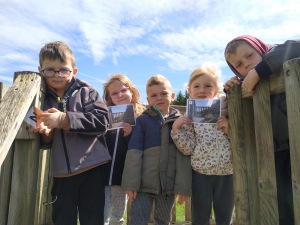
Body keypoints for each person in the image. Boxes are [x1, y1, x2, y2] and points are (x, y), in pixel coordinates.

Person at [31, 41, 111, 225]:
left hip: (92, 169)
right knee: (62, 218)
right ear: (40, 70)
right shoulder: (40, 97)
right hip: (61, 174)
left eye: (63, 70)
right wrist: (45, 133)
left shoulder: (87, 92)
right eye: (50, 69)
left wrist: (64, 120)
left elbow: (102, 121)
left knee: (92, 219)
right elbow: (46, 142)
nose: (57, 75)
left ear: (74, 71)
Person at [224, 35, 300, 225]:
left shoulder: (278, 63)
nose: (247, 64)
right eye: (239, 64)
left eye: (250, 55)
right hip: (272, 152)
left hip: (295, 145)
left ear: (261, 49)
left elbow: (296, 46)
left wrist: (259, 71)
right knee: (281, 207)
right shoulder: (245, 86)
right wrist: (230, 91)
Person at [121, 75, 192, 225]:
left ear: (172, 96)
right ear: (148, 100)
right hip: (143, 186)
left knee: (163, 221)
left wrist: (183, 186)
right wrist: (131, 184)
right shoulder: (142, 121)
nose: (159, 98)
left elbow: (184, 155)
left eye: (164, 94)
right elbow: (134, 153)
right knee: (137, 220)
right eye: (154, 95)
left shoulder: (181, 122)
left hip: (168, 187)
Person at [171, 64, 234, 225]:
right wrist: (177, 129)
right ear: (189, 91)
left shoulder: (228, 109)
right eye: (196, 86)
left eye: (208, 86)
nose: (202, 90)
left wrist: (230, 130)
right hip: (201, 174)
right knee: (200, 217)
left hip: (227, 173)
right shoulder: (189, 117)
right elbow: (188, 149)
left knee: (225, 217)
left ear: (215, 89)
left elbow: (242, 141)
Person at [102, 74, 145, 225]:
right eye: (114, 93)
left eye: (123, 90)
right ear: (109, 97)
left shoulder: (140, 117)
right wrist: (101, 134)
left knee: (117, 216)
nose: (119, 95)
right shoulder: (105, 116)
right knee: (101, 215)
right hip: (102, 176)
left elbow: (140, 148)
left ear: (132, 91)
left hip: (123, 178)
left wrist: (128, 136)